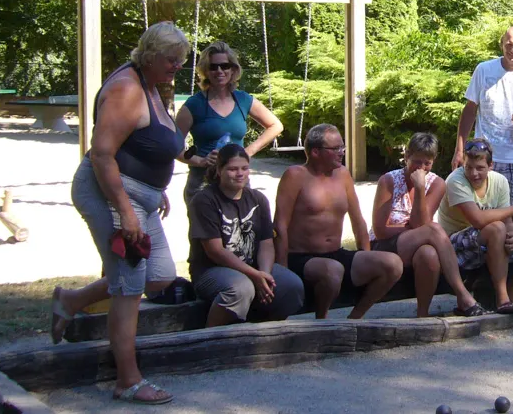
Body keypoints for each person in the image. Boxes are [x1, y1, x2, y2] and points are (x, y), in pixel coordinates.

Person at [50, 22, 188, 405]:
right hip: (110, 195)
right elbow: (102, 154)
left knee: (158, 277)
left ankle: (72, 301)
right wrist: (126, 210)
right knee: (129, 287)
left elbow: (149, 143)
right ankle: (127, 381)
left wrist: (155, 189)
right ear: (148, 54)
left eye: (181, 60)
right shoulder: (127, 89)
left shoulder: (151, 85)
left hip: (140, 198)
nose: (177, 66)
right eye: (171, 59)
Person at [274, 124, 403, 319]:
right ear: (316, 152)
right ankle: (321, 322)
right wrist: (282, 269)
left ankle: (354, 319)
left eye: (342, 147)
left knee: (392, 264)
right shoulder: (295, 175)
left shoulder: (342, 173)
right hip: (301, 257)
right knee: (332, 271)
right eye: (336, 149)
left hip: (336, 253)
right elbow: (280, 225)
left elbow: (358, 219)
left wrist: (365, 254)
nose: (342, 153)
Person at [188, 144, 303, 327]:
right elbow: (215, 251)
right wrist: (255, 275)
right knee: (240, 288)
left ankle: (261, 333)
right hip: (210, 270)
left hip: (253, 266)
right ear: (219, 170)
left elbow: (266, 243)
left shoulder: (258, 199)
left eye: (244, 168)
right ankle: (211, 338)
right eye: (232, 169)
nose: (240, 173)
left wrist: (264, 274)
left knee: (291, 285)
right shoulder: (204, 200)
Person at [371, 133, 484, 317]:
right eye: (416, 162)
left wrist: (421, 189)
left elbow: (420, 224)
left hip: (416, 244)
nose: (421, 168)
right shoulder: (388, 181)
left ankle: (422, 315)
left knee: (429, 254)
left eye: (427, 163)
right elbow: (381, 230)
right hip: (385, 245)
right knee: (434, 229)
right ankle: (463, 295)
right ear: (406, 156)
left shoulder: (437, 183)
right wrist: (413, 231)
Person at [436, 138, 513, 314]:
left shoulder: (499, 181)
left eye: (480, 168)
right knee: (497, 228)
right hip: (454, 244)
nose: (474, 173)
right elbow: (477, 219)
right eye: (468, 167)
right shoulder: (456, 180)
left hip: (491, 238)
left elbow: (507, 219)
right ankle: (502, 299)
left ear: (491, 166)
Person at [452, 26, 513, 214]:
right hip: (484, 154)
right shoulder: (484, 70)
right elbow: (469, 111)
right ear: (501, 45)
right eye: (509, 44)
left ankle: (510, 244)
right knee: (483, 210)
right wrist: (459, 150)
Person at [176, 41, 283, 207]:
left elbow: (276, 125)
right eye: (213, 67)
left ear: (233, 69)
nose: (219, 71)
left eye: (224, 66)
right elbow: (173, 146)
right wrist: (200, 160)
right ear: (206, 71)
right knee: (207, 232)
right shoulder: (194, 105)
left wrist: (248, 151)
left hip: (238, 181)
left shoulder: (243, 100)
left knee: (241, 231)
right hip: (203, 183)